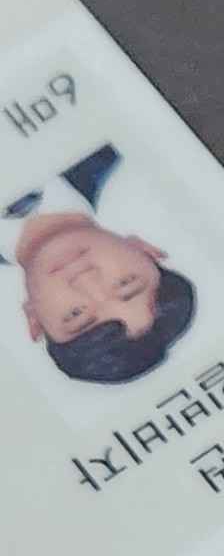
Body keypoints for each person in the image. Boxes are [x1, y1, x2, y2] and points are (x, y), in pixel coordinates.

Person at [4, 143, 196, 385]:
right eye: (125, 283)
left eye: (76, 313)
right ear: (145, 249)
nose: (85, 279)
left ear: (34, 319)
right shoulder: (107, 141)